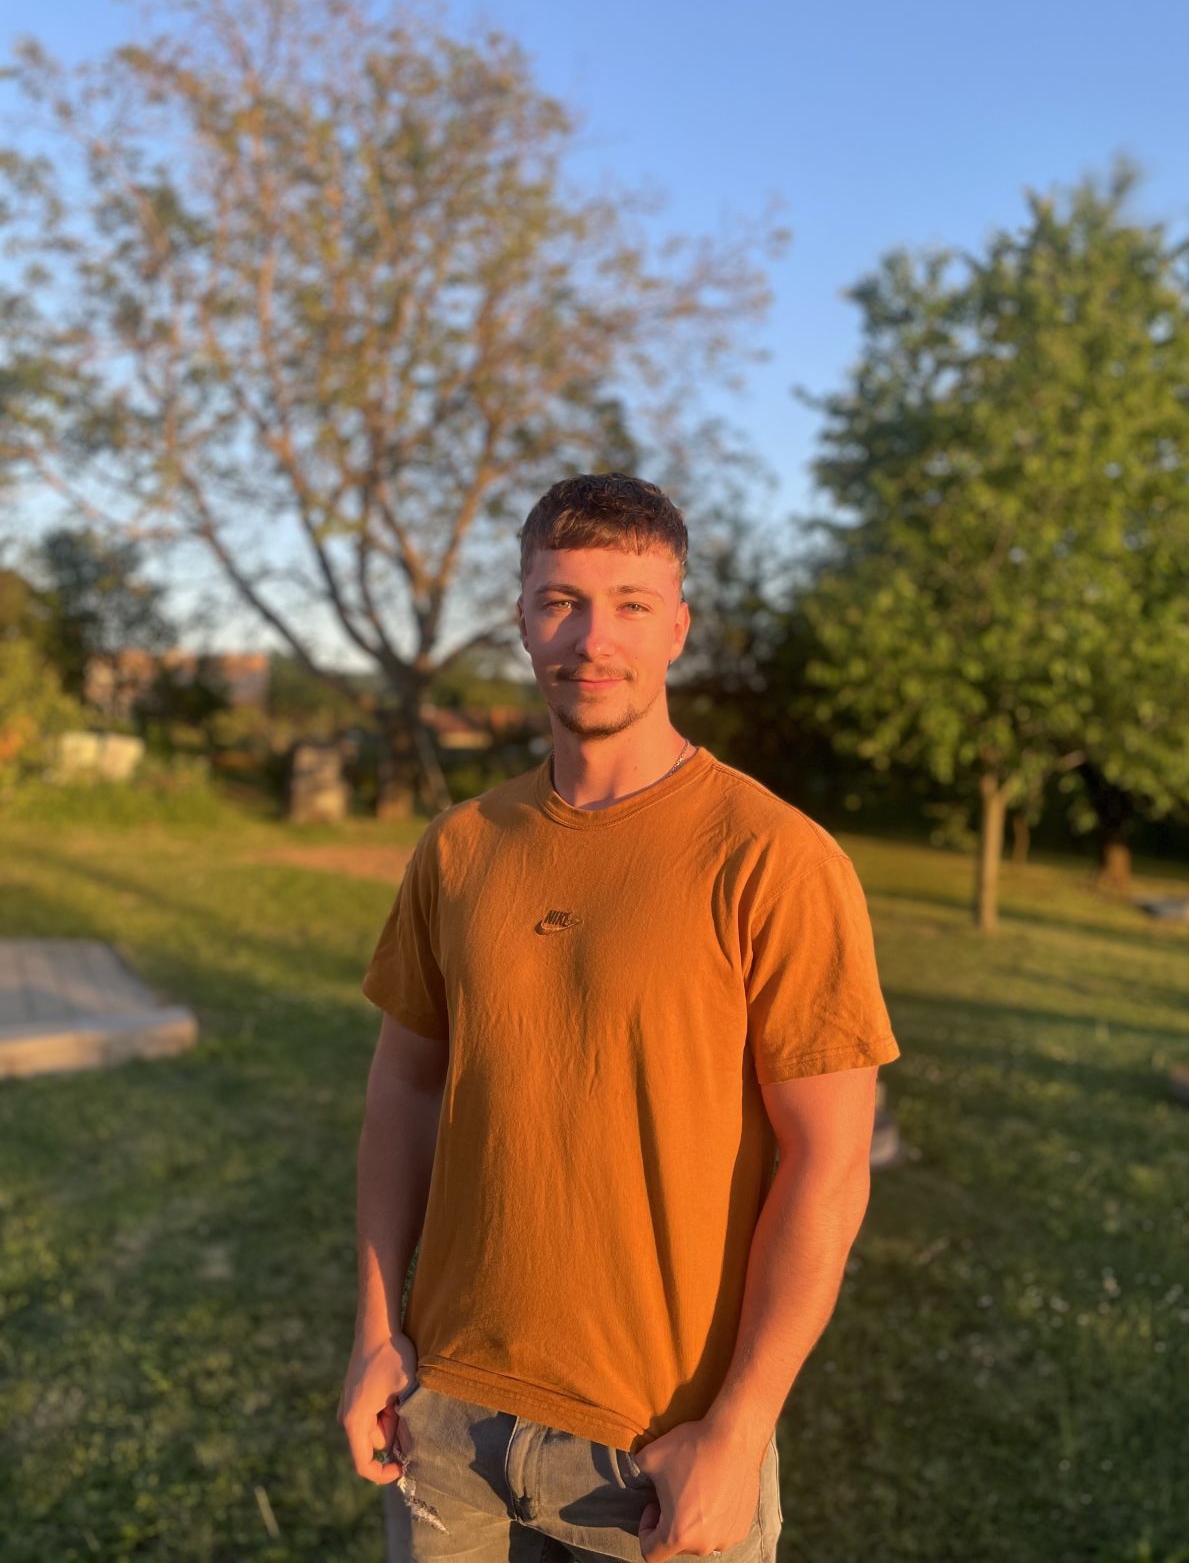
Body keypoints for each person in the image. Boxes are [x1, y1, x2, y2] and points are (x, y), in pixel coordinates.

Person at [338, 473, 900, 1563]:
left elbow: (828, 1164)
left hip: (657, 1448)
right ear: (520, 617)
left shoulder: (773, 858)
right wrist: (374, 1331)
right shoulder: (459, 847)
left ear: (676, 627)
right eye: (560, 601)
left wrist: (740, 1426)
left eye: (630, 603)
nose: (592, 639)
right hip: (443, 1416)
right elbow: (402, 1088)